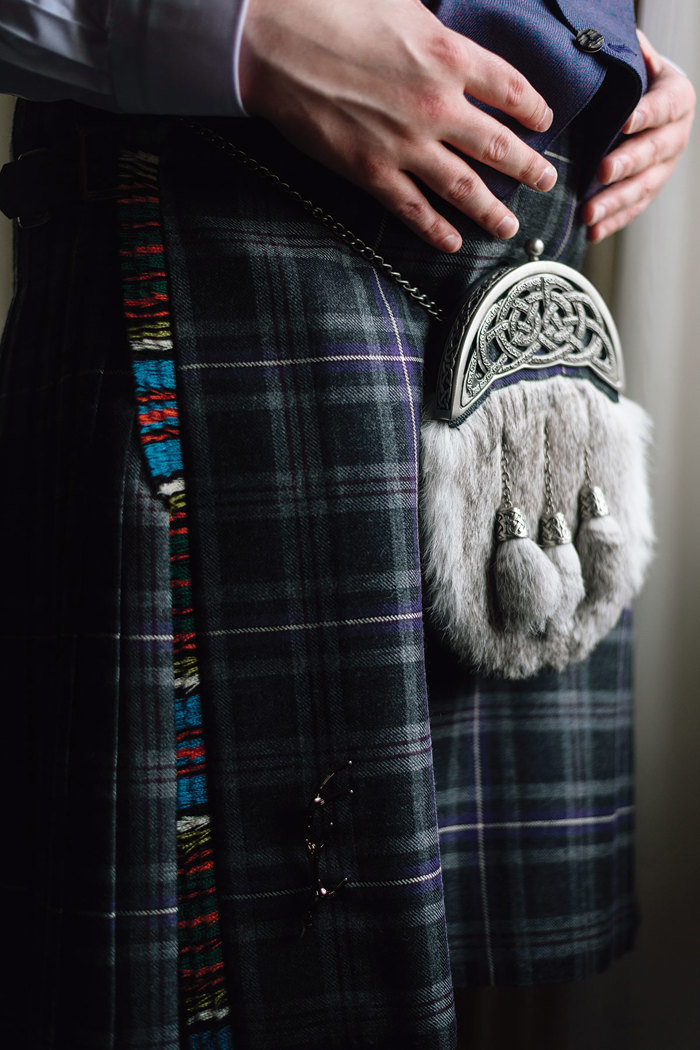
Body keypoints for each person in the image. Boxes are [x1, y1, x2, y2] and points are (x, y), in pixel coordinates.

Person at [0, 3, 694, 1049]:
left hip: (527, 343)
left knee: (464, 966)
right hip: (227, 278)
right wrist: (247, 35)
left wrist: (620, 67)